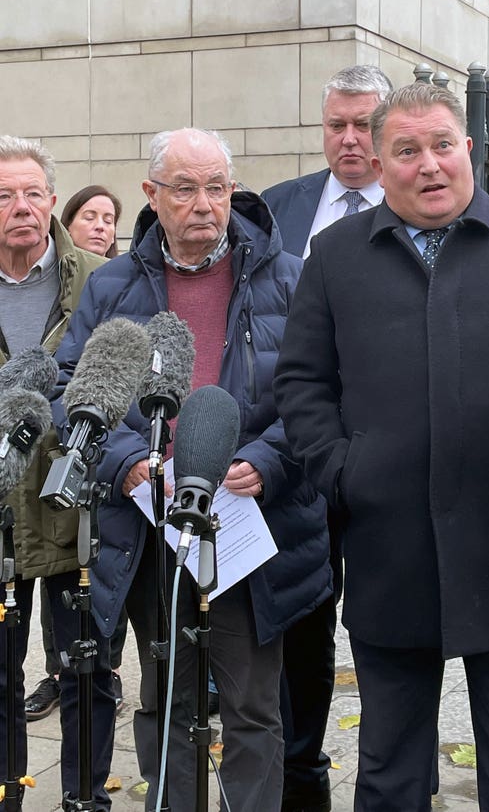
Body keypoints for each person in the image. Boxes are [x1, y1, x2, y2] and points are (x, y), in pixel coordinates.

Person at [273, 83, 489, 812]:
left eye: (442, 145)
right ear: (378, 162)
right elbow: (303, 381)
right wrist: (343, 472)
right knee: (390, 769)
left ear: (468, 149)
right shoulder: (336, 256)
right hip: (387, 550)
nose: (429, 165)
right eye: (406, 150)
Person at [52, 127, 332, 812]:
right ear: (152, 195)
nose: (204, 203)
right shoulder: (115, 285)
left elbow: (320, 391)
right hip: (151, 531)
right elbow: (71, 388)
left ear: (232, 191)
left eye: (217, 187)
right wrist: (124, 464)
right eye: (185, 188)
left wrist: (264, 462)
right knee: (168, 696)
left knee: (251, 705)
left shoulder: (288, 277)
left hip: (246, 526)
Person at [262, 63, 392, 812]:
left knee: (384, 625)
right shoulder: (282, 207)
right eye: (337, 124)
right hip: (295, 454)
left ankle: (398, 771)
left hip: (381, 456)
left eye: (363, 124)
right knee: (302, 624)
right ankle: (300, 774)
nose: (350, 139)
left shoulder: (420, 207)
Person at [0, 136, 113, 811]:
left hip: (80, 513)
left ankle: (85, 799)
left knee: (87, 674)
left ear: (52, 200)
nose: (20, 207)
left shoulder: (104, 278)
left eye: (33, 192)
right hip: (2, 514)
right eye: (3, 196)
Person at [25, 184, 127, 722]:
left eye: (111, 218)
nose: (103, 225)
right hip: (17, 495)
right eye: (91, 215)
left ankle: (98, 670)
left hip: (88, 484)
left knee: (86, 608)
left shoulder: (109, 280)